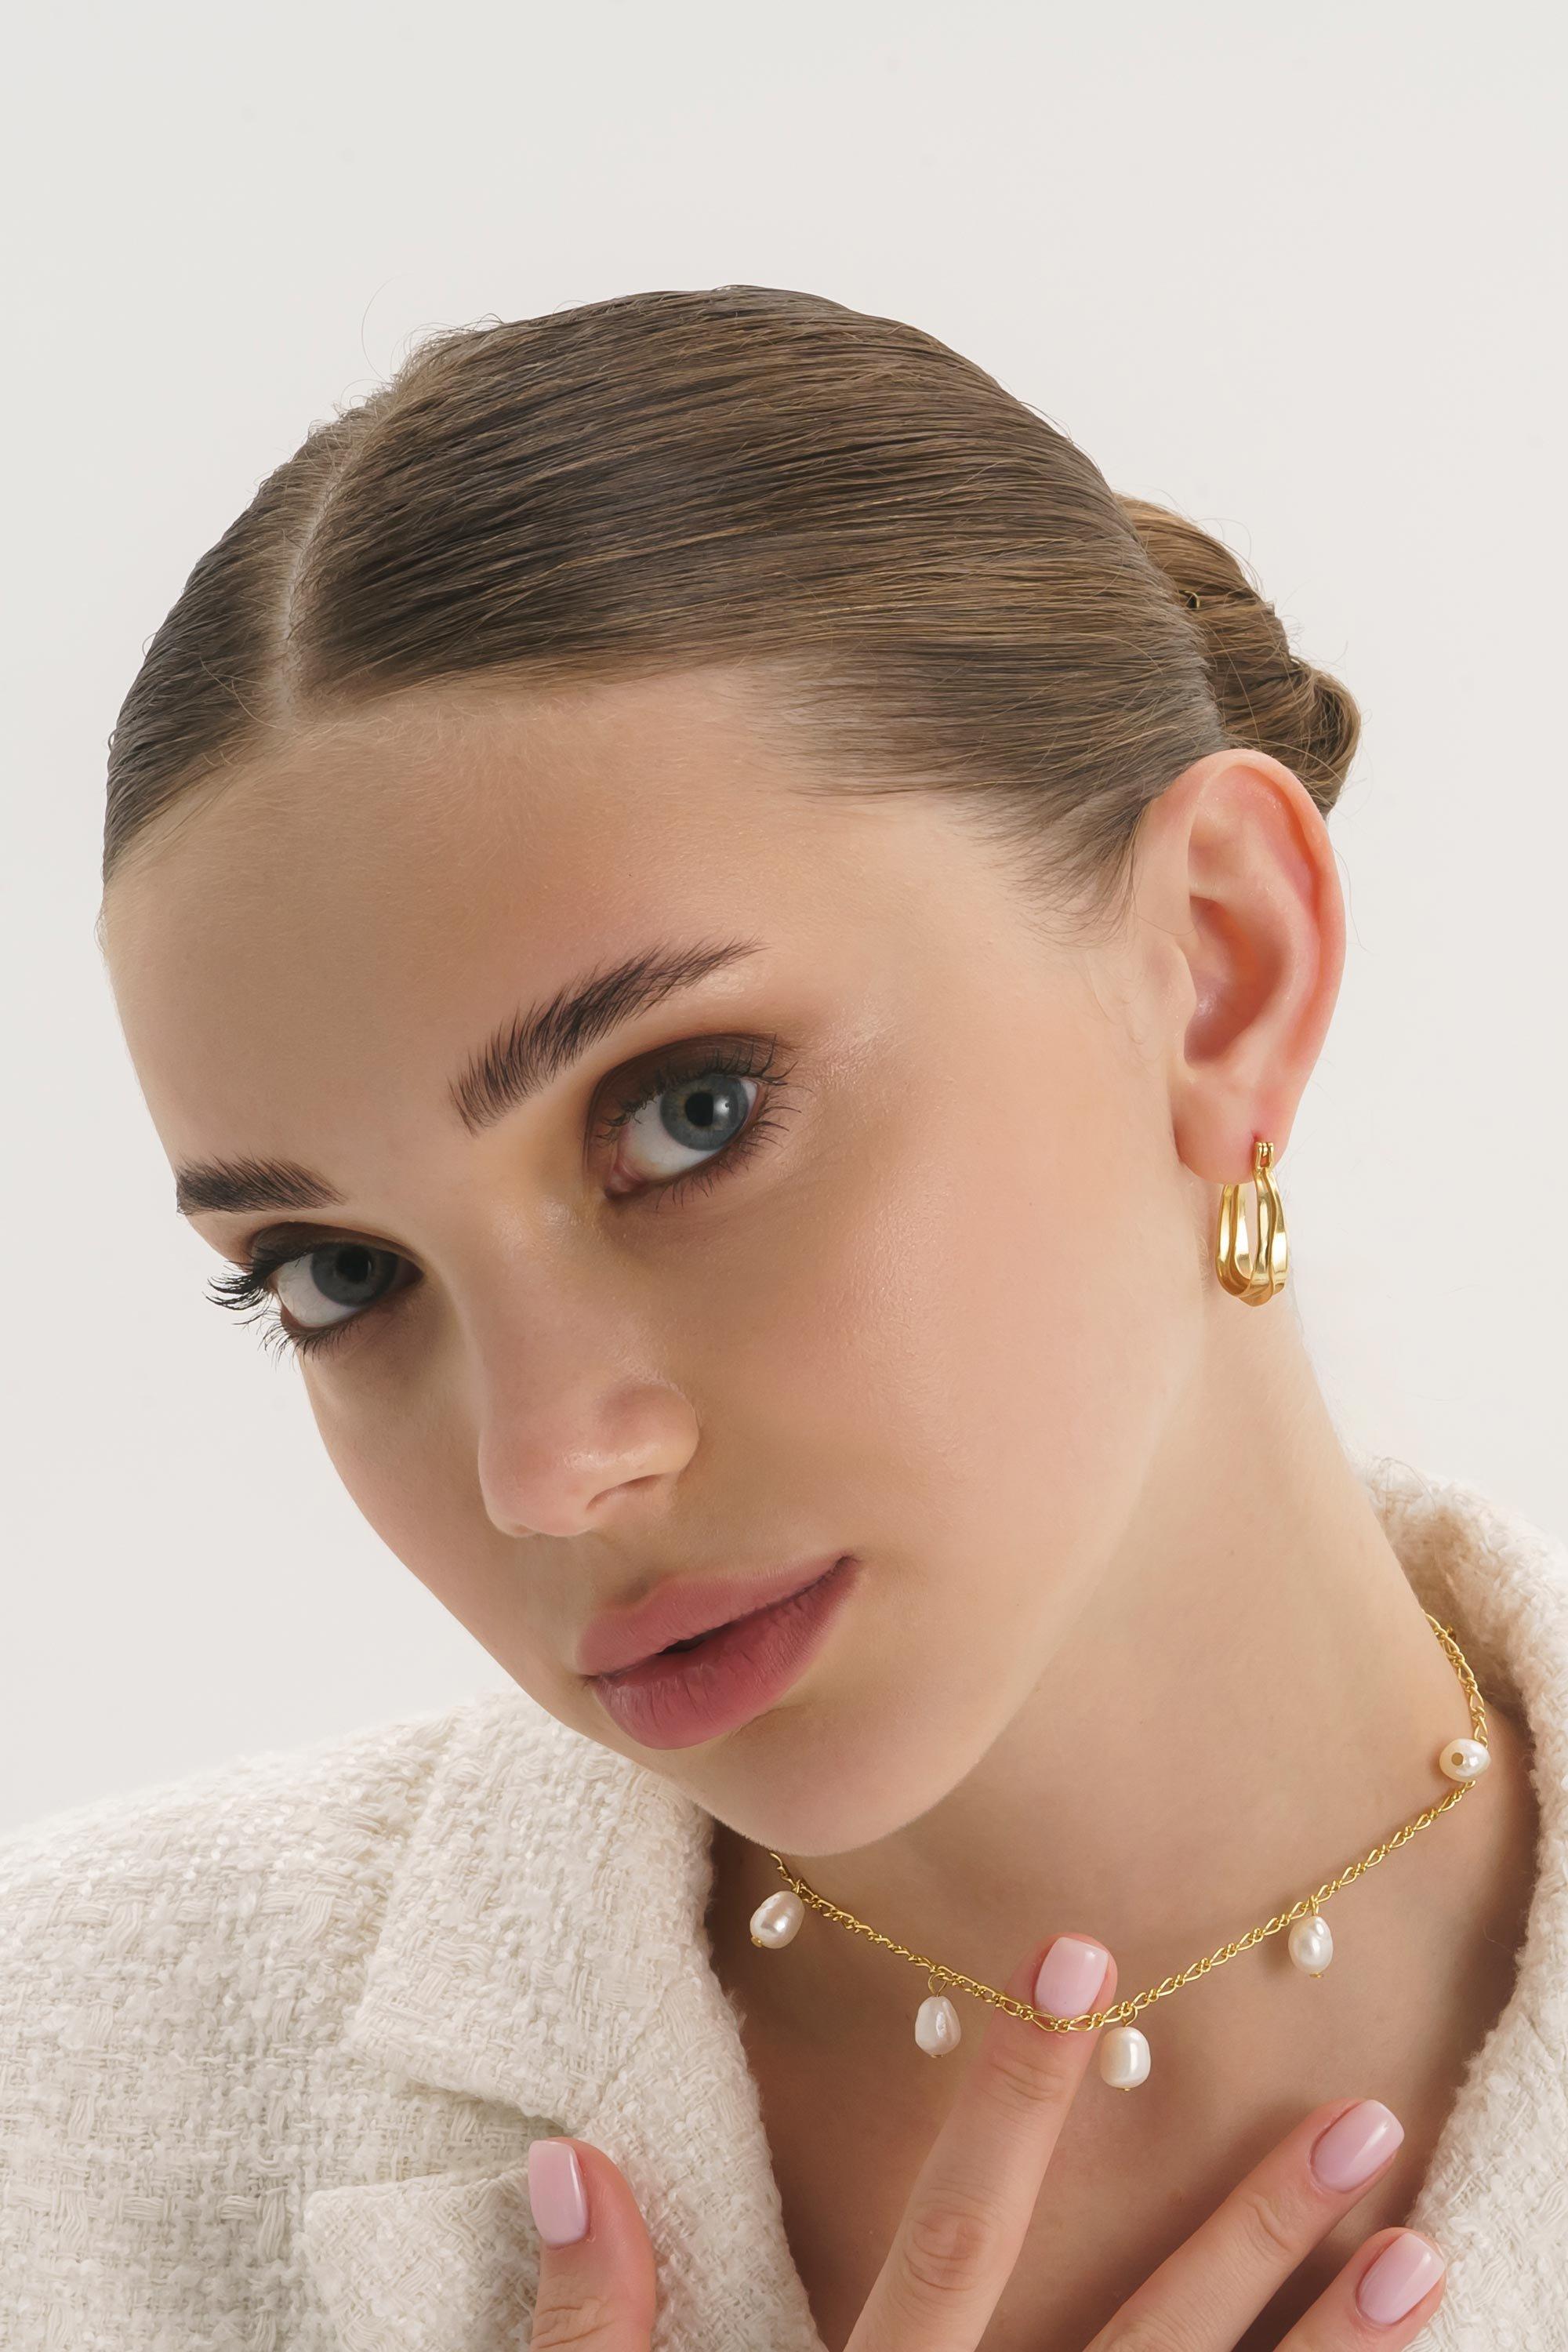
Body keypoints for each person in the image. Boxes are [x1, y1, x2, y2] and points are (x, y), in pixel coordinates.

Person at [0, 285, 1560, 2352]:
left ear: (1217, 970)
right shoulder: (53, 2107)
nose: (546, 1468)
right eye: (339, 1274)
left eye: (689, 1113)